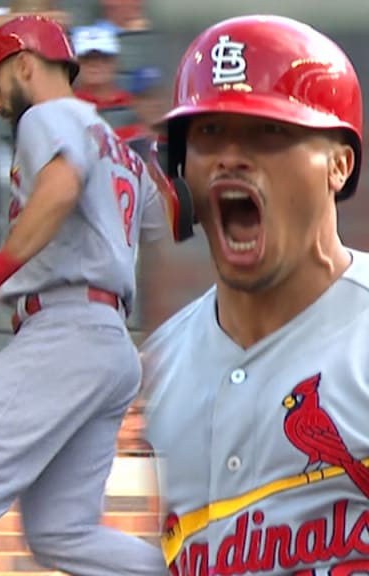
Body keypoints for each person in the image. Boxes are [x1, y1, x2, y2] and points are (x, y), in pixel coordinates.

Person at [0, 14, 190, 576]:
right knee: (61, 532)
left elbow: (61, 188)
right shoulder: (117, 143)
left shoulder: (47, 115)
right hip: (108, 341)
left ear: (25, 64)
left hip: (65, 325)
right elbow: (170, 220)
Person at [142, 15, 368, 575]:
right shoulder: (154, 370)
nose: (230, 157)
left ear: (339, 164)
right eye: (208, 133)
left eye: (270, 132)